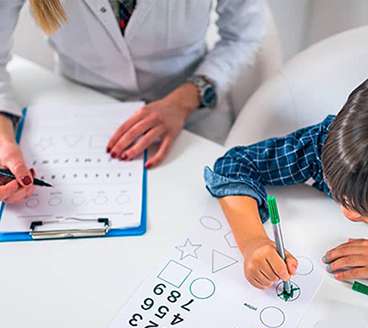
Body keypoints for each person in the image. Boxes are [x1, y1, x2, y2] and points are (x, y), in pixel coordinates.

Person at [0, 0, 266, 203]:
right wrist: (3, 141)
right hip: (82, 115)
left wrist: (184, 100)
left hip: (192, 115)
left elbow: (243, 37)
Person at [204, 79, 368, 289]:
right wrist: (253, 242)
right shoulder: (325, 147)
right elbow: (235, 166)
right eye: (339, 194)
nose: (349, 213)